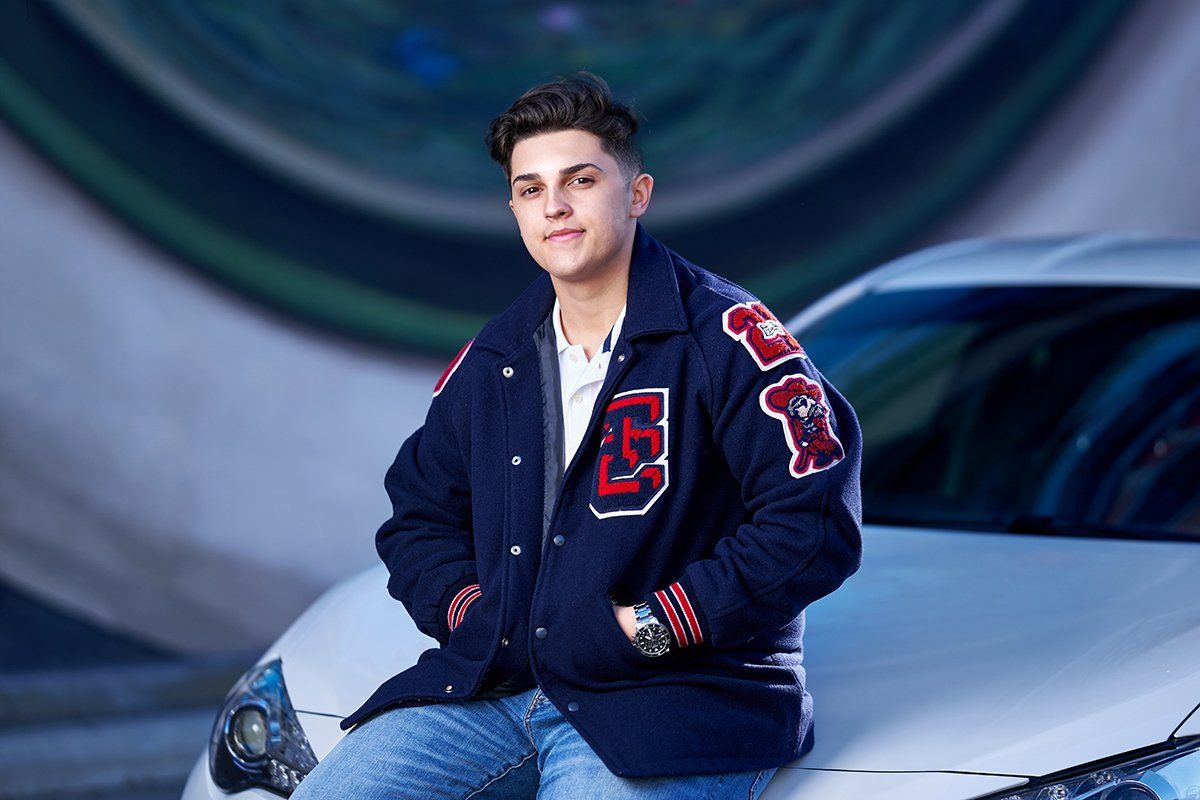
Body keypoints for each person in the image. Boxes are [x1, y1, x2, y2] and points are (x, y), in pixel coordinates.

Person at [291, 70, 863, 799]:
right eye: (531, 189)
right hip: (496, 688)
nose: (555, 206)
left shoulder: (730, 338)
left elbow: (812, 525)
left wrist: (650, 627)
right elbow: (419, 518)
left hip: (675, 699)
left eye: (580, 180)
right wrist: (478, 615)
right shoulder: (494, 359)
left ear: (637, 193)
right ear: (515, 211)